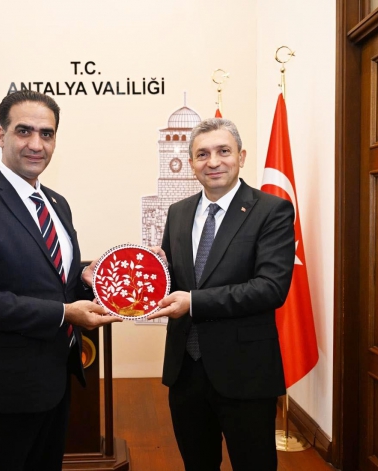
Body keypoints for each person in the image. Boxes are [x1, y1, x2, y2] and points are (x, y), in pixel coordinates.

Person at [0, 90, 121, 471]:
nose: (36, 144)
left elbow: (52, 279)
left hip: (54, 382)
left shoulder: (57, 203)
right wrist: (66, 313)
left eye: (46, 134)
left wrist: (86, 279)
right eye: (24, 131)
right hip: (0, 393)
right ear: (1, 136)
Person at [148, 118, 295, 470]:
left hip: (245, 371)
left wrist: (194, 302)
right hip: (185, 371)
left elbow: (270, 288)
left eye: (223, 151)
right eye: (202, 154)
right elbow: (175, 281)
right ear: (191, 163)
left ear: (241, 157)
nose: (213, 162)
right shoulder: (178, 212)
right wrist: (152, 272)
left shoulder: (271, 210)